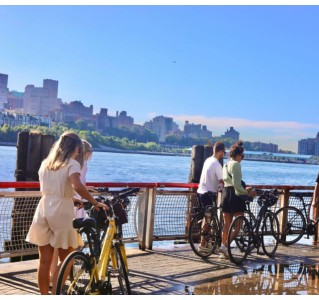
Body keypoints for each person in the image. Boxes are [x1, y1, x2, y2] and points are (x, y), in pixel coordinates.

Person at [25, 131, 108, 295]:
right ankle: (56, 294)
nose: (79, 153)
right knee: (67, 259)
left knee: (44, 261)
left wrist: (71, 199)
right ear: (77, 148)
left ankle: (44, 296)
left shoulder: (45, 164)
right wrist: (94, 202)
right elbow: (77, 186)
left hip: (43, 207)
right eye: (79, 151)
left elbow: (53, 189)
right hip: (61, 211)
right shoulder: (72, 164)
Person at [49, 139, 94, 282]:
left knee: (55, 245)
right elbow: (77, 185)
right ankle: (63, 276)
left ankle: (54, 275)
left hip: (57, 205)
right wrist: (92, 199)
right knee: (70, 244)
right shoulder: (78, 165)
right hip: (74, 204)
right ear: (83, 151)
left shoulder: (59, 163)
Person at [219, 140, 257, 259]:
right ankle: (225, 246)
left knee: (226, 224)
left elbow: (227, 182)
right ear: (237, 155)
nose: (243, 158)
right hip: (234, 196)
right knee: (238, 225)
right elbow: (236, 184)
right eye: (242, 156)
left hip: (225, 194)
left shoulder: (225, 165)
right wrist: (246, 192)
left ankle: (223, 249)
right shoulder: (236, 164)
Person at [196, 141, 226, 254]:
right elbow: (222, 181)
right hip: (209, 194)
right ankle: (202, 245)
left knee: (206, 218)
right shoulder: (217, 164)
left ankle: (204, 243)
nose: (224, 154)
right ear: (220, 151)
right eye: (224, 152)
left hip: (200, 191)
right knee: (208, 219)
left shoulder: (208, 160)